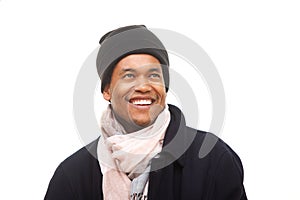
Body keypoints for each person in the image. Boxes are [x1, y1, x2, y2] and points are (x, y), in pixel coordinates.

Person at [44, 25, 247, 200]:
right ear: (107, 91)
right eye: (129, 75)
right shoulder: (72, 176)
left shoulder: (213, 160)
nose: (143, 86)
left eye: (153, 75)